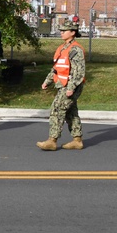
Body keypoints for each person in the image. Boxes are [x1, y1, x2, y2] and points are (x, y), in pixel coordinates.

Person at [37, 19, 86, 151]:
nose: (62, 33)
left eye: (65, 31)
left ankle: (52, 140)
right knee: (71, 113)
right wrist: (47, 81)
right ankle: (77, 140)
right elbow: (57, 68)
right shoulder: (63, 48)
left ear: (73, 32)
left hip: (70, 86)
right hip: (62, 84)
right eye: (61, 31)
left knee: (57, 109)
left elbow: (79, 72)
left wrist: (71, 88)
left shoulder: (75, 49)